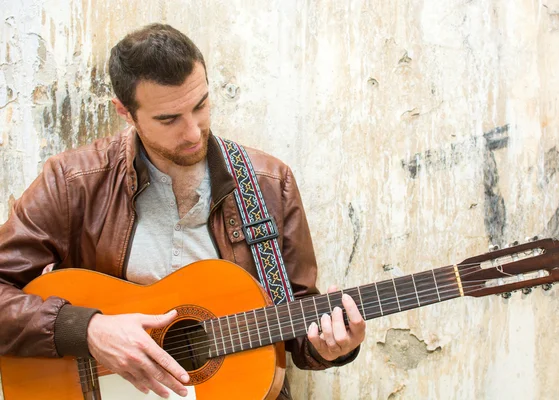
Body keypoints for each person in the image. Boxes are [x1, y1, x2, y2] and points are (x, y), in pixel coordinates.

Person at [0, 23, 366, 399]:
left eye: (200, 105)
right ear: (125, 112)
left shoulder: (269, 184)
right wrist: (88, 331)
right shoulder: (73, 182)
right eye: (168, 119)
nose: (192, 132)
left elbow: (297, 325)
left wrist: (331, 347)